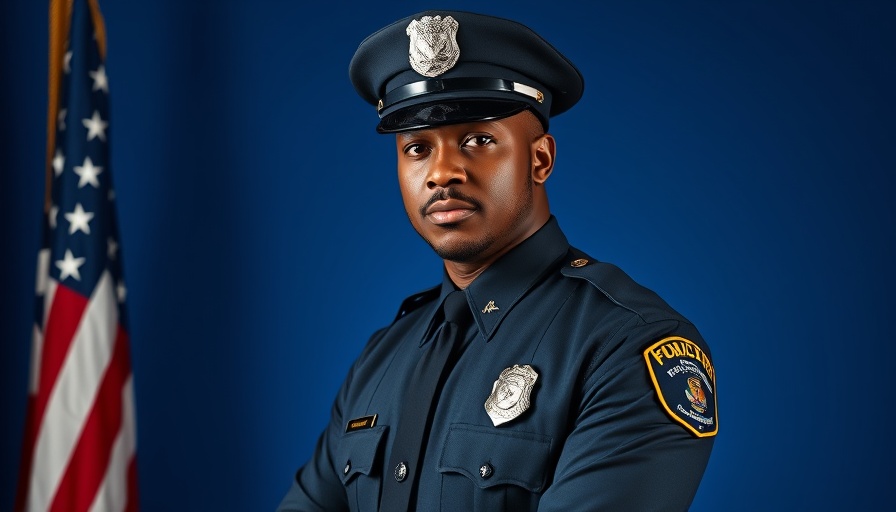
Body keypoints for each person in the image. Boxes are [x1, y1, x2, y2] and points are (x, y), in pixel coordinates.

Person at [277, 10, 717, 511]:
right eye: (418, 147)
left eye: (478, 140)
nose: (442, 172)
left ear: (540, 159)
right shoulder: (381, 359)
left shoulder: (628, 348)